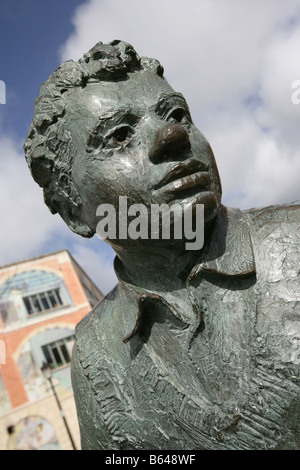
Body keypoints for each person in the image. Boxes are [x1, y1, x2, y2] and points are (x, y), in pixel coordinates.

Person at [25, 40, 300, 450]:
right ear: (72, 211)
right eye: (119, 136)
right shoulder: (93, 355)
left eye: (176, 114)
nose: (171, 135)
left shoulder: (292, 241)